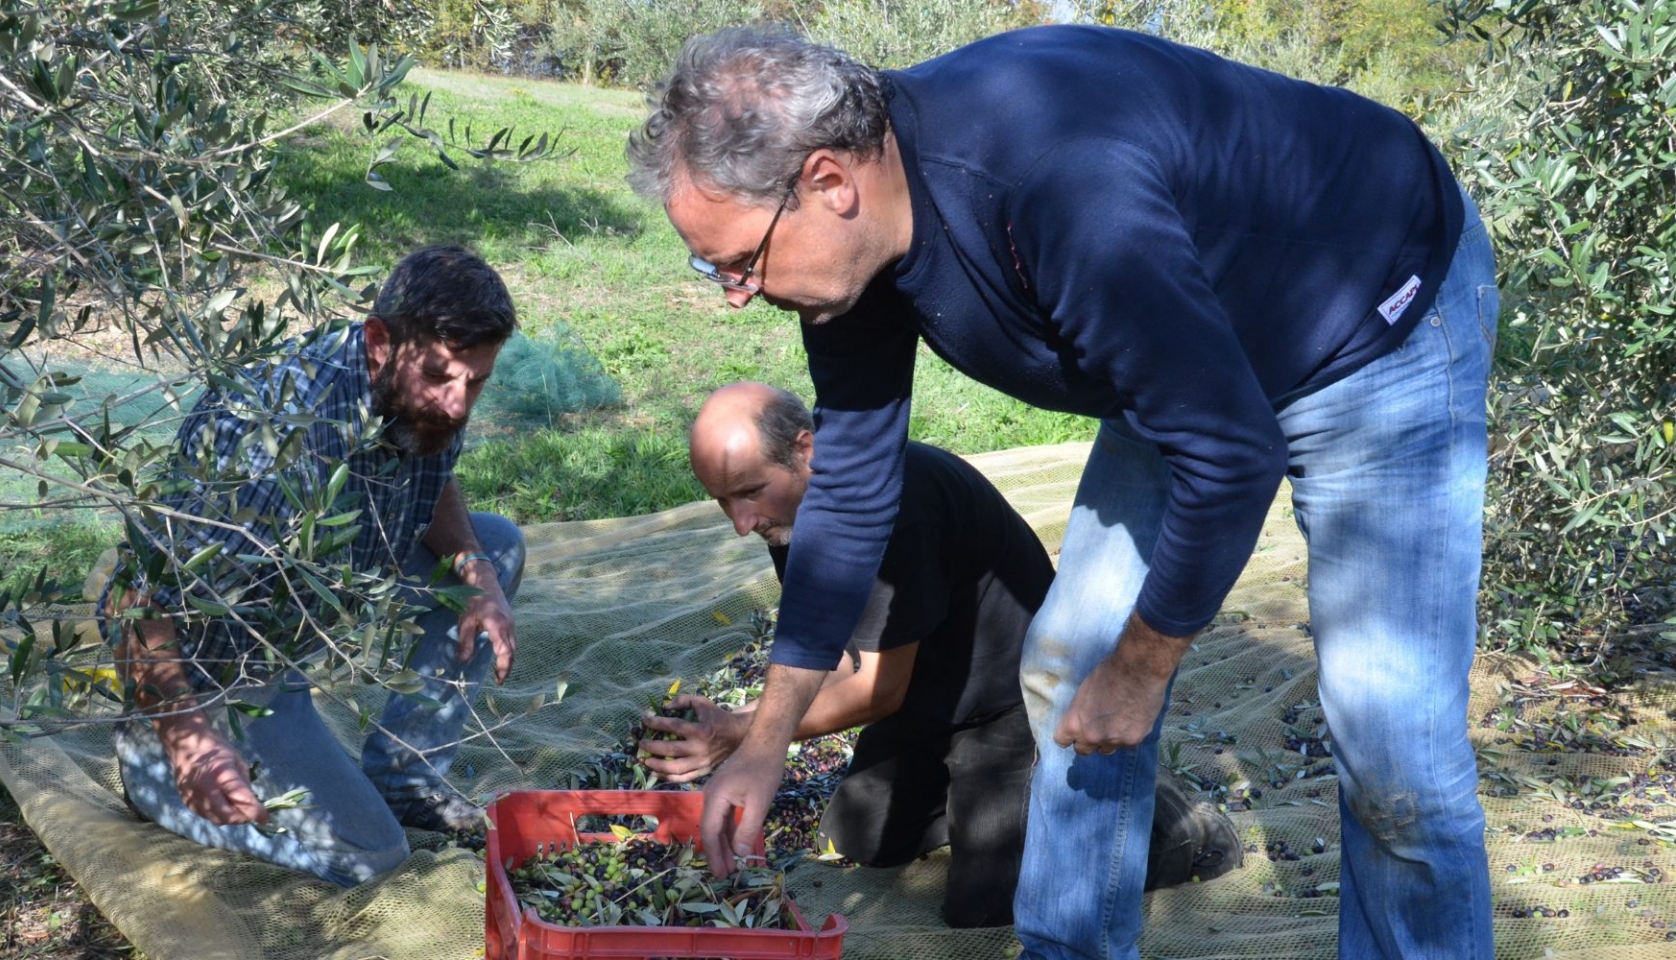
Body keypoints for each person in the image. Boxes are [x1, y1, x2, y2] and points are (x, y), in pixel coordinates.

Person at [627, 25, 1497, 959]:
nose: (733, 294)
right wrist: (766, 740)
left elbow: (1231, 457)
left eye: (740, 263)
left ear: (829, 183)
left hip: (1371, 319)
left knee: (1392, 751)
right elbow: (847, 493)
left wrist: (1141, 666)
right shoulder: (854, 256)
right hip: (1176, 349)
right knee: (1067, 666)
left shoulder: (1056, 190)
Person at [638, 382, 1240, 927]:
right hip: (929, 695)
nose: (741, 523)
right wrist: (753, 726)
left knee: (983, 904)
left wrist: (749, 732)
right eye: (722, 501)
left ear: (806, 449)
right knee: (858, 836)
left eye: (747, 493)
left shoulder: (892, 508)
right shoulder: (792, 510)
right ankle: (989, 808)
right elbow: (829, 647)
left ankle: (1172, 828)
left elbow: (878, 690)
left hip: (1008, 705)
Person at [102, 245, 526, 886]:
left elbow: (428, 469)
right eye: (441, 377)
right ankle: (153, 772)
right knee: (368, 855)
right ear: (379, 342)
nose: (459, 404)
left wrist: (476, 576)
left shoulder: (422, 388)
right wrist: (187, 736)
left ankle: (407, 777)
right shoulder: (270, 439)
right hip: (227, 678)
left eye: (477, 382)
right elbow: (137, 597)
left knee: (496, 548)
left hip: (310, 618)